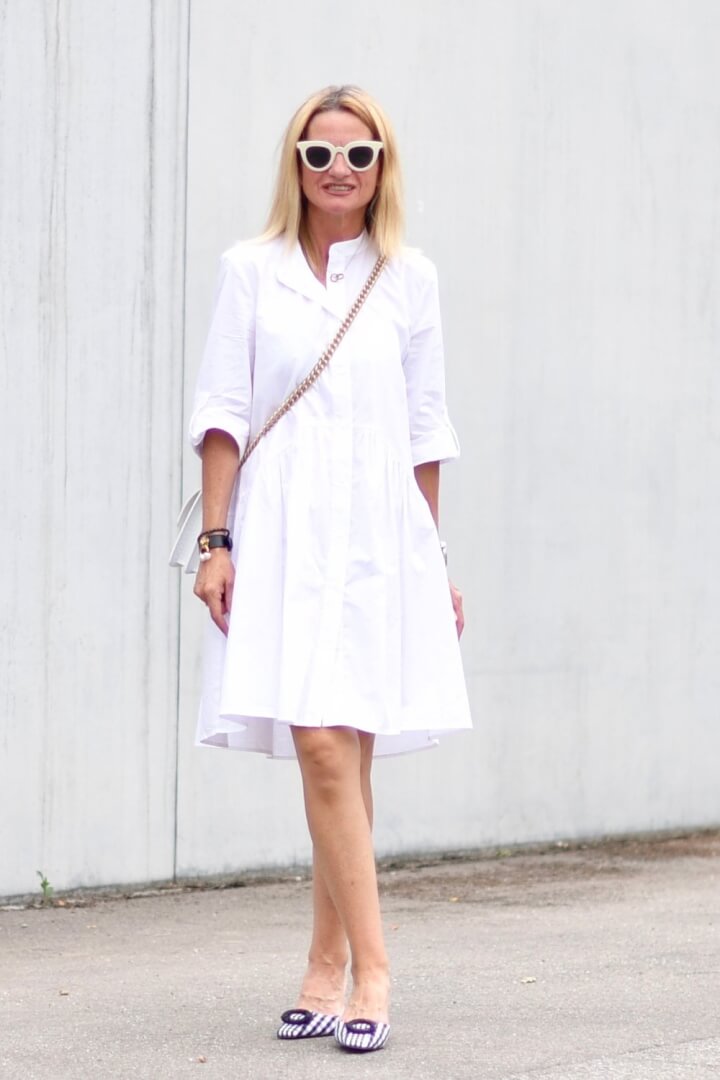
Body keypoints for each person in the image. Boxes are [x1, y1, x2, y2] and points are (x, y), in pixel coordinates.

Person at [188, 85, 472, 1054]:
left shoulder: (410, 279)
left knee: (345, 752)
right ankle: (371, 968)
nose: (338, 170)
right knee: (320, 743)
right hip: (279, 530)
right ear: (296, 164)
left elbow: (426, 431)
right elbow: (222, 413)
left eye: (358, 153)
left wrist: (434, 560)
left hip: (379, 538)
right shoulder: (250, 271)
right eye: (319, 154)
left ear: (383, 164)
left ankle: (331, 965)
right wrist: (215, 544)